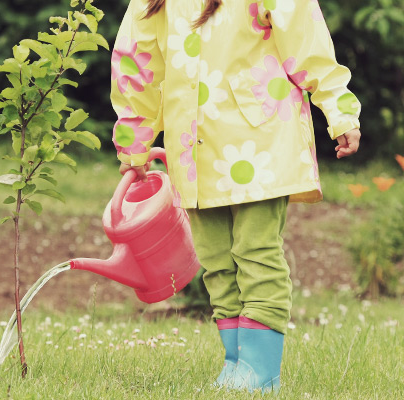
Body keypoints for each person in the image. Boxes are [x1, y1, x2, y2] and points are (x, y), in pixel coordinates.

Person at [110, 0, 361, 393]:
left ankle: (260, 371)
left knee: (256, 251)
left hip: (260, 140)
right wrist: (134, 145)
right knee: (216, 261)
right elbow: (136, 67)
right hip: (193, 150)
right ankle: (236, 362)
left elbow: (307, 42)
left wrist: (340, 111)